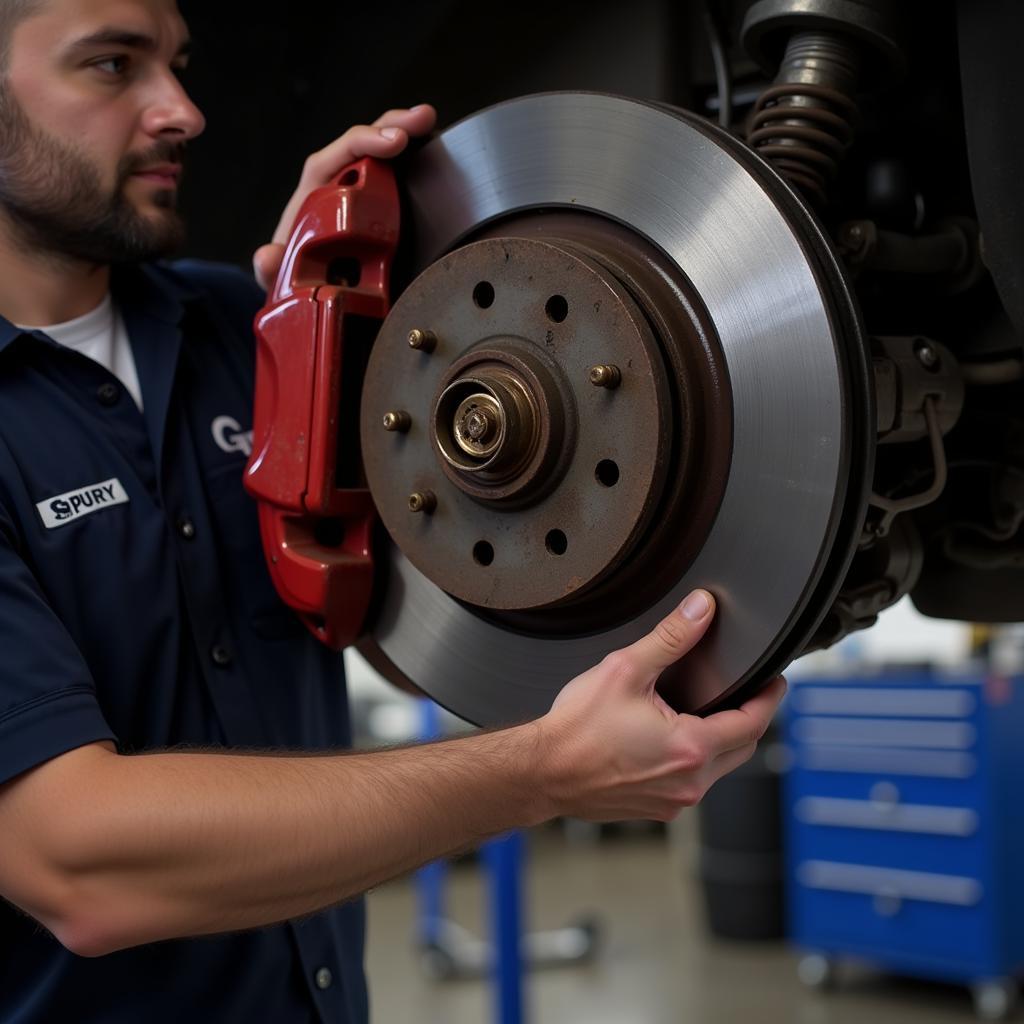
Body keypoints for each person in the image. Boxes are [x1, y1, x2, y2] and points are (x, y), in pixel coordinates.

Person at [0, 1, 787, 1021]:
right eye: (112, 66)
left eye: (179, 64)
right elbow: (77, 863)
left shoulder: (241, 327)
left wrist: (319, 306)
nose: (184, 110)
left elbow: (392, 612)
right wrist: (541, 772)